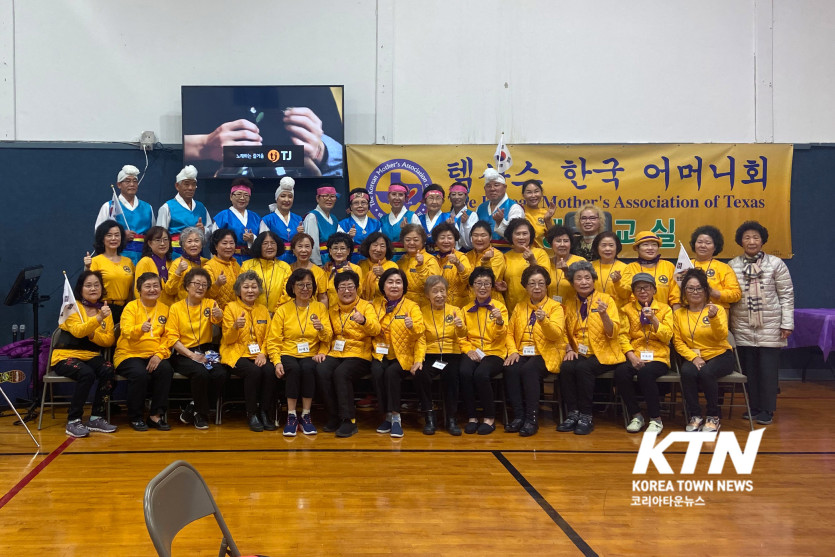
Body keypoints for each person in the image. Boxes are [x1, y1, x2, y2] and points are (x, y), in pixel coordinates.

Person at [729, 221, 794, 425]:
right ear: (741, 241)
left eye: (756, 237)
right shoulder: (733, 265)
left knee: (768, 371)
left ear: (763, 240)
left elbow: (786, 295)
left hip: (770, 325)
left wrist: (787, 324)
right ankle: (754, 407)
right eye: (747, 238)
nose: (751, 241)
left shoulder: (775, 264)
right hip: (742, 326)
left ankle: (767, 409)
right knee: (749, 371)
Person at [557, 260, 624, 435]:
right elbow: (562, 330)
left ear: (593, 280)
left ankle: (586, 415)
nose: (584, 282)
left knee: (583, 368)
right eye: (579, 278)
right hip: (578, 351)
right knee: (565, 367)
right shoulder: (570, 303)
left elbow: (614, 332)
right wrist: (568, 349)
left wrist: (604, 315)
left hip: (604, 352)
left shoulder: (607, 299)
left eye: (587, 278)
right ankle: (573, 413)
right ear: (572, 283)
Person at [50, 271, 117, 438]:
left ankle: (96, 417)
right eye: (88, 285)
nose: (93, 288)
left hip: (91, 356)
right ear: (81, 288)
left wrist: (93, 334)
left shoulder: (105, 310)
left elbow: (109, 340)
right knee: (86, 373)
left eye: (96, 285)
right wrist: (98, 319)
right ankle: (73, 420)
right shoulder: (72, 307)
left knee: (108, 369)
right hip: (65, 356)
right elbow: (78, 332)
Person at [267, 269, 333, 436]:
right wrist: (277, 361)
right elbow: (273, 340)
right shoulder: (283, 309)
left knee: (308, 369)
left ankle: (306, 415)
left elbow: (328, 338)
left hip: (311, 353)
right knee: (294, 369)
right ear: (292, 287)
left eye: (309, 285)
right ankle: (291, 416)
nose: (305, 289)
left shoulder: (319, 307)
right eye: (300, 285)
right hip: (287, 352)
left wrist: (322, 329)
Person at [316, 271, 381, 438]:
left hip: (359, 353)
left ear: (357, 288)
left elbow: (376, 329)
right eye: (342, 287)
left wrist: (364, 321)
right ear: (336, 291)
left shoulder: (366, 306)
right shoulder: (332, 309)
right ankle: (333, 415)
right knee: (322, 370)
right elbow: (328, 335)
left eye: (350, 287)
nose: (346, 291)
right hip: (336, 352)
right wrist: (322, 352)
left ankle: (348, 420)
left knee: (341, 373)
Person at [503, 266, 566, 436]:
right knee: (511, 368)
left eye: (540, 283)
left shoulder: (555, 307)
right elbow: (509, 332)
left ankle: (532, 419)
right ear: (526, 286)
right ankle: (518, 416)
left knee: (529, 370)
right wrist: (513, 351)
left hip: (546, 351)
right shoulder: (520, 306)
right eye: (532, 284)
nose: (536, 287)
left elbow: (556, 335)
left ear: (547, 286)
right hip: (522, 351)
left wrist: (544, 321)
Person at [673, 268, 735, 433]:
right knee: (687, 372)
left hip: (721, 354)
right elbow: (678, 342)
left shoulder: (717, 310)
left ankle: (713, 416)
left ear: (706, 290)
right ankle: (695, 415)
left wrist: (713, 319)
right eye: (690, 288)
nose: (695, 292)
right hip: (695, 356)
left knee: (707, 373)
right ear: (684, 291)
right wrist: (693, 358)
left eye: (699, 288)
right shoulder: (679, 313)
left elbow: (721, 336)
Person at [613, 273, 674, 434]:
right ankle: (636, 415)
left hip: (658, 356)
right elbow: (623, 336)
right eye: (638, 288)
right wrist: (631, 356)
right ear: (633, 292)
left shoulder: (664, 309)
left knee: (646, 373)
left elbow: (667, 337)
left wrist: (654, 319)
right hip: (636, 354)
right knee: (620, 372)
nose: (642, 291)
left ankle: (655, 419)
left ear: (654, 290)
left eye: (646, 287)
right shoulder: (627, 309)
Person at [114, 272, 174, 431]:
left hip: (153, 354)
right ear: (139, 290)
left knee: (165, 369)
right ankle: (135, 417)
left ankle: (156, 416)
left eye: (156, 286)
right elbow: (126, 331)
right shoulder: (131, 307)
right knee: (139, 374)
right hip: (128, 354)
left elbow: (169, 337)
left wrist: (159, 355)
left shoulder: (166, 309)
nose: (152, 289)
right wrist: (139, 329)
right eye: (148, 286)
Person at [167, 268, 226, 430]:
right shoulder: (176, 308)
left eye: (204, 285)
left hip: (207, 350)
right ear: (187, 286)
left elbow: (218, 322)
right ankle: (201, 414)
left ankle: (193, 406)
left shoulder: (210, 303)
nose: (201, 287)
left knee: (220, 373)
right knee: (200, 373)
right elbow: (172, 339)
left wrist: (219, 315)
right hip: (183, 352)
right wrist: (192, 356)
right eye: (197, 284)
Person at [219, 271, 277, 432]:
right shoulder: (230, 308)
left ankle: (265, 412)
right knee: (253, 372)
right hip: (235, 353)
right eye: (246, 287)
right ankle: (252, 414)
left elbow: (269, 336)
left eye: (254, 287)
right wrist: (235, 327)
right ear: (239, 290)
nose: (250, 290)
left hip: (258, 353)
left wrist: (263, 353)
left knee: (270, 371)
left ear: (259, 290)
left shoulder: (263, 310)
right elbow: (228, 340)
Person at [370, 269, 426, 438]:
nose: (394, 286)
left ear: (404, 286)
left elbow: (421, 335)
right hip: (380, 352)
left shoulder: (411, 306)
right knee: (377, 371)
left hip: (403, 355)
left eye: (398, 282)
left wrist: (419, 359)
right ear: (383, 285)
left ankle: (395, 417)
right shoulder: (375, 304)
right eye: (390, 282)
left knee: (391, 373)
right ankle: (386, 415)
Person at [459, 267, 509, 435]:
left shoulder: (499, 308)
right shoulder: (465, 309)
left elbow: (500, 337)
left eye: (487, 283)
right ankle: (472, 417)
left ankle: (489, 417)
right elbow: (461, 337)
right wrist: (468, 350)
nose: (482, 287)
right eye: (478, 283)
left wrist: (500, 322)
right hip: (473, 350)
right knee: (464, 371)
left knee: (481, 374)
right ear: (472, 286)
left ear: (492, 286)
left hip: (494, 352)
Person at [418, 276, 468, 435]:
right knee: (420, 373)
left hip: (450, 353)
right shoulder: (422, 312)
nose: (439, 295)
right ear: (427, 295)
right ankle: (429, 417)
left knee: (452, 375)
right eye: (435, 291)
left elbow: (462, 335)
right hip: (431, 354)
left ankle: (451, 419)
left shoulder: (455, 310)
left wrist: (460, 327)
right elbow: (420, 338)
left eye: (442, 291)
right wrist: (418, 360)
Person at [94, 164, 155, 265]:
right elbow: (99, 233)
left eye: (135, 181)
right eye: (127, 181)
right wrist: (121, 235)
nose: (132, 184)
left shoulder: (147, 207)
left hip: (143, 257)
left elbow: (153, 234)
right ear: (119, 185)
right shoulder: (109, 206)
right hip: (118, 256)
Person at [84, 220, 135, 323]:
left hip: (125, 309)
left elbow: (131, 289)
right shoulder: (95, 261)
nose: (113, 238)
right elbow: (87, 285)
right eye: (109, 235)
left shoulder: (128, 262)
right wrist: (87, 268)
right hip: (103, 308)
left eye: (117, 235)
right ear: (102, 238)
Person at [621, 230, 681, 309]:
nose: (650, 248)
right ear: (637, 248)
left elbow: (675, 297)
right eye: (645, 245)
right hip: (636, 316)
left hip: (664, 317)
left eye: (654, 245)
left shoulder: (668, 266)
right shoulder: (629, 268)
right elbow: (627, 296)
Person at [502, 218, 551, 315]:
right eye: (517, 234)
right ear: (511, 236)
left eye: (525, 234)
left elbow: (547, 280)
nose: (521, 237)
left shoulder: (540, 253)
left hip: (538, 310)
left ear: (531, 235)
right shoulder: (505, 257)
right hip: (513, 310)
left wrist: (532, 261)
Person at [688, 225, 742, 312]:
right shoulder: (686, 265)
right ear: (694, 244)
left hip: (718, 315)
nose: (703, 245)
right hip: (689, 316)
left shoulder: (724, 268)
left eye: (708, 243)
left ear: (715, 247)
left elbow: (736, 294)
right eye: (699, 242)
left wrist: (715, 293)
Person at [210, 179, 262, 263]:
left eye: (246, 195)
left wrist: (253, 239)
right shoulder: (222, 217)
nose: (242, 198)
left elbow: (263, 240)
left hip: (252, 260)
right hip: (229, 260)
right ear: (231, 196)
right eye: (238, 194)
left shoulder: (256, 218)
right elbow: (214, 243)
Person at [134, 226, 188, 307]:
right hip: (152, 309)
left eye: (165, 240)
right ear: (150, 243)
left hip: (171, 309)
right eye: (158, 240)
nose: (162, 243)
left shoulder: (172, 262)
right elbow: (138, 291)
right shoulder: (145, 262)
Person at [241, 231, 292, 313]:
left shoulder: (285, 267)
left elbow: (288, 294)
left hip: (278, 316)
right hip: (252, 315)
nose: (269, 247)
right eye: (265, 243)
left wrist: (276, 312)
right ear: (258, 246)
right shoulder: (247, 266)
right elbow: (242, 293)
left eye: (273, 243)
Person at [156, 165, 212, 236]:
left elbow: (210, 230)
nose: (190, 188)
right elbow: (160, 235)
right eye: (186, 184)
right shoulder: (167, 208)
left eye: (193, 184)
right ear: (177, 186)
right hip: (175, 247)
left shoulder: (201, 207)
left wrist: (204, 230)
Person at [260, 177, 304, 263]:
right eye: (283, 196)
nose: (286, 200)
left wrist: (301, 235)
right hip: (275, 261)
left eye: (290, 197)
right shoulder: (267, 220)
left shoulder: (298, 219)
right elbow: (263, 244)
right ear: (277, 198)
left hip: (296, 260)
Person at [397, 224, 441, 304]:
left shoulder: (430, 259)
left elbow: (434, 284)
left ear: (423, 241)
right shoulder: (401, 261)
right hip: (404, 305)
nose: (411, 243)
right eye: (407, 240)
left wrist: (421, 266)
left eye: (416, 240)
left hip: (424, 306)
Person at [475, 168, 524, 241]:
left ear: (504, 187)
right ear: (484, 189)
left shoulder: (514, 208)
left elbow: (517, 237)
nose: (492, 189)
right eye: (488, 186)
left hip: (507, 251)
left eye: (496, 185)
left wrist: (500, 222)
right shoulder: (480, 208)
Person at [464, 221, 506, 304]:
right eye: (475, 235)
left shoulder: (497, 255)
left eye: (483, 235)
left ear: (490, 237)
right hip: (470, 302)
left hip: (492, 302)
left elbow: (491, 279)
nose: (479, 239)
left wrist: (485, 261)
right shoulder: (466, 256)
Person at [432, 222, 472, 308]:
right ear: (436, 241)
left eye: (450, 238)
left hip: (459, 306)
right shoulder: (433, 260)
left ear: (455, 241)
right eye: (442, 238)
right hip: (438, 306)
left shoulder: (461, 257)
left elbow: (469, 280)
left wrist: (458, 264)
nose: (446, 241)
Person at [545, 225, 585, 305]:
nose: (562, 244)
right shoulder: (546, 263)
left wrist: (567, 272)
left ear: (571, 244)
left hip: (574, 309)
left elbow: (585, 288)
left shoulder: (580, 262)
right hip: (551, 311)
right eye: (558, 241)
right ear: (551, 244)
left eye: (566, 241)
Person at [338, 188, 381, 262]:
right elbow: (338, 248)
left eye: (363, 202)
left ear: (368, 205)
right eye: (356, 203)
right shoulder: (343, 224)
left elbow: (380, 245)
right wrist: (349, 236)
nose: (360, 206)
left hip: (372, 263)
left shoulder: (376, 224)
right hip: (350, 263)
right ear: (351, 207)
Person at [204, 228, 242, 310]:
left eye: (231, 243)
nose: (228, 246)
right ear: (216, 246)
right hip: (217, 315)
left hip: (236, 313)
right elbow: (205, 295)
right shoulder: (208, 267)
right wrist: (217, 284)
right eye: (224, 243)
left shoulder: (235, 264)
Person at [302, 184, 339, 266]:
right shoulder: (312, 217)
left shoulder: (334, 218)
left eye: (332, 196)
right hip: (320, 261)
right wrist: (317, 265)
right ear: (317, 198)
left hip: (333, 261)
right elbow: (312, 244)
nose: (329, 199)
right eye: (325, 196)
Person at [324, 232, 364, 307]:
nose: (339, 252)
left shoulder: (355, 268)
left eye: (342, 248)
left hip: (350, 312)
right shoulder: (326, 269)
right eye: (335, 248)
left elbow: (359, 293)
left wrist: (352, 275)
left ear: (348, 251)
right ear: (330, 251)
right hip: (331, 313)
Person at [591, 231, 630, 308]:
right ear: (597, 247)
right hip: (593, 311)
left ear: (617, 247)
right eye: (603, 245)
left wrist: (617, 283)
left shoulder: (624, 268)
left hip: (617, 313)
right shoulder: (589, 266)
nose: (607, 249)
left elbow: (626, 295)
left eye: (611, 245)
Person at [289, 233, 329, 306]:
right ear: (293, 250)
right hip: (290, 313)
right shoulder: (287, 270)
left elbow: (322, 298)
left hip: (312, 314)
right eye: (300, 246)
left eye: (307, 246)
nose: (304, 250)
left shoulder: (320, 272)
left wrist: (323, 316)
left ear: (312, 249)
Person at [358, 232, 398, 302]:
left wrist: (385, 276)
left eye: (382, 246)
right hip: (363, 307)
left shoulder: (392, 266)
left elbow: (396, 292)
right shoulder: (361, 265)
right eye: (375, 245)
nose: (378, 249)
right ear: (368, 247)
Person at [379, 183, 419, 250]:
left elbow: (420, 239)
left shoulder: (412, 216)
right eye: (393, 194)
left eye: (400, 195)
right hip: (387, 258)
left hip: (407, 257)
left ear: (405, 198)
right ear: (388, 197)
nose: (397, 198)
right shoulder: (383, 220)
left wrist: (407, 231)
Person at [520, 179, 556, 248]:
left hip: (538, 255)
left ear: (542, 193)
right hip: (520, 253)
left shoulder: (545, 214)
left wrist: (547, 220)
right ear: (523, 195)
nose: (533, 195)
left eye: (536, 191)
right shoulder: (519, 210)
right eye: (529, 192)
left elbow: (553, 239)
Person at [448, 181, 477, 251]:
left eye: (460, 194)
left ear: (466, 196)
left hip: (467, 254)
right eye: (453, 194)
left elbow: (471, 244)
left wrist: (465, 224)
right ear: (449, 197)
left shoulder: (472, 215)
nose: (456, 197)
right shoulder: (446, 216)